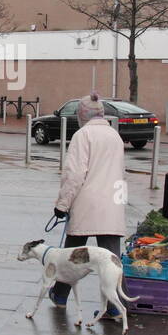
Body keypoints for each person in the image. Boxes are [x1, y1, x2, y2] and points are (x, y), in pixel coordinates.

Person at [48, 92, 127, 321]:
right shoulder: (115, 136)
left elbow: (74, 175)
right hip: (112, 202)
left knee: (71, 254)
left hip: (86, 201)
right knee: (111, 257)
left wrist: (62, 205)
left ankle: (60, 295)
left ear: (82, 114)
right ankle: (114, 307)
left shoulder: (83, 135)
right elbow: (121, 172)